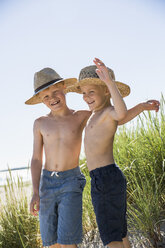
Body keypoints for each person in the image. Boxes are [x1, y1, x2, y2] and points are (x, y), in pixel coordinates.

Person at [66, 58, 160, 248]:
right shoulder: (98, 114)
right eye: (83, 93)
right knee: (119, 232)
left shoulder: (109, 112)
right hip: (104, 178)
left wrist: (109, 81)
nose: (86, 97)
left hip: (106, 178)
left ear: (107, 91)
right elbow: (123, 118)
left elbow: (122, 113)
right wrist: (142, 106)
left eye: (91, 91)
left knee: (111, 236)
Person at [25, 67, 91, 248]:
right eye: (45, 96)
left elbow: (108, 113)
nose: (52, 99)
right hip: (46, 184)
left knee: (68, 241)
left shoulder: (81, 116)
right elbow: (37, 159)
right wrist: (35, 191)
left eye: (55, 92)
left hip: (71, 181)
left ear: (64, 87)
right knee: (51, 242)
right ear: (40, 99)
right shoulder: (40, 123)